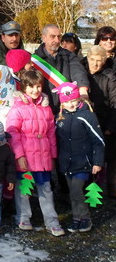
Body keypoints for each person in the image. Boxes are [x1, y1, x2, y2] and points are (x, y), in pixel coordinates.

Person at [6, 70, 65, 237]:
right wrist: (20, 156)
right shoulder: (17, 109)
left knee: (46, 189)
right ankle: (23, 217)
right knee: (24, 189)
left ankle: (51, 220)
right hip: (26, 156)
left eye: (38, 86)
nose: (35, 90)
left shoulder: (46, 108)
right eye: (31, 86)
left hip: (43, 156)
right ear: (24, 87)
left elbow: (51, 133)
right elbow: (12, 133)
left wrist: (53, 155)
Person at [53, 82, 105, 233]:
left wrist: (98, 162)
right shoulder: (60, 118)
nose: (71, 104)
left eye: (73, 101)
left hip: (83, 162)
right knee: (72, 192)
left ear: (79, 99)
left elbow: (98, 140)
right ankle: (77, 218)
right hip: (67, 163)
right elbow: (56, 139)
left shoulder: (87, 116)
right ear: (62, 102)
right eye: (67, 102)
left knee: (77, 191)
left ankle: (86, 218)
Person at [82, 45, 116, 198]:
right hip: (85, 123)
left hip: (104, 121)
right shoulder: (81, 72)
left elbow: (115, 103)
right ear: (87, 58)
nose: (95, 64)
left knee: (105, 158)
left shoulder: (109, 76)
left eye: (99, 61)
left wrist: (110, 127)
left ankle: (104, 190)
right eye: (92, 60)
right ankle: (86, 190)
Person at [34, 24, 89, 116]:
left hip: (68, 108)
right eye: (53, 37)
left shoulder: (69, 56)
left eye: (59, 37)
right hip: (44, 110)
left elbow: (78, 71)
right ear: (43, 38)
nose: (57, 40)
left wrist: (83, 89)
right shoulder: (35, 60)